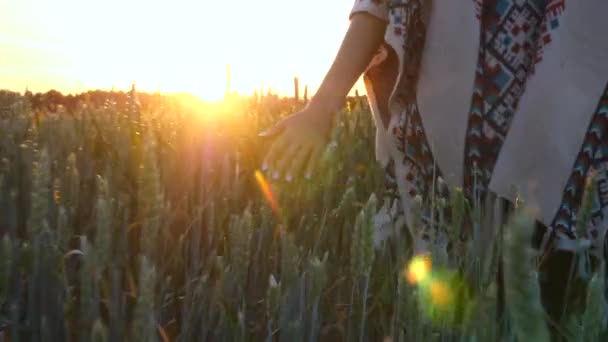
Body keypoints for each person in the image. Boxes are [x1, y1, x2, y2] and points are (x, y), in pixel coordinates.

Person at [259, 0, 608, 332]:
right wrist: (321, 107)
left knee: (560, 301)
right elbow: (380, 5)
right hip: (453, 166)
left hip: (566, 152)